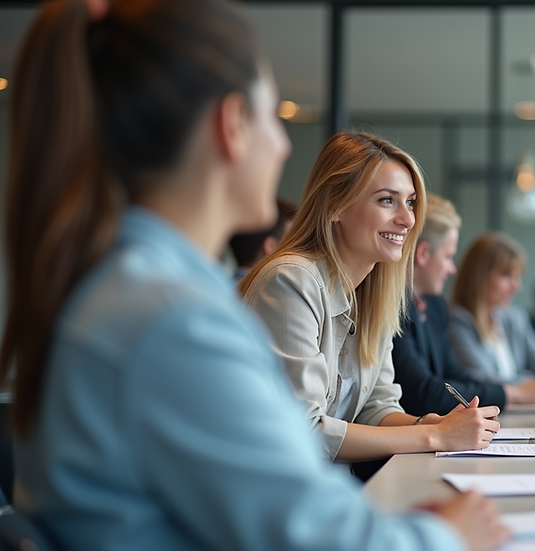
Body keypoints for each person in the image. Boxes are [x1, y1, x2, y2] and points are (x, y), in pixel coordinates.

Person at [0, 1, 507, 550]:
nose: (285, 144)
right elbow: (306, 530)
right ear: (232, 125)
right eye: (274, 118)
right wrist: (442, 535)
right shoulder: (177, 318)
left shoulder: (136, 288)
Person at [239, 132, 501, 464]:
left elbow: (376, 408)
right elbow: (301, 430)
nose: (408, 219)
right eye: (386, 200)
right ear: (334, 205)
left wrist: (429, 423)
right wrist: (435, 435)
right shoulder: (292, 281)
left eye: (409, 202)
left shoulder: (374, 294)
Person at [392, 195, 535, 416]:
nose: (452, 269)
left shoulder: (435, 307)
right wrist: (514, 393)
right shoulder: (394, 308)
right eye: (448, 257)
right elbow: (423, 393)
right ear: (423, 254)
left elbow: (456, 377)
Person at [448, 233, 535, 385]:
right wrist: (529, 383)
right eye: (507, 276)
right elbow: (481, 378)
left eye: (517, 277)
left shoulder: (515, 318)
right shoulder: (457, 320)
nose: (516, 286)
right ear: (480, 275)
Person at [228, 197, 297, 280]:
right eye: (291, 242)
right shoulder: (270, 290)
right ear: (270, 246)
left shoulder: (223, 287)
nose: (297, 251)